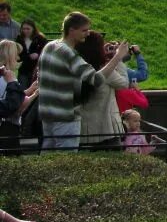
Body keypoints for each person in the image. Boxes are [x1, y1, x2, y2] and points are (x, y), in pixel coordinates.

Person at [37, 12, 129, 150]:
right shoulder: (68, 53)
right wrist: (117, 57)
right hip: (66, 116)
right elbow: (95, 80)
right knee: (66, 162)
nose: (87, 34)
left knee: (48, 159)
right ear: (72, 30)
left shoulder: (49, 47)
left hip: (47, 114)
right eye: (84, 30)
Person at [77, 34, 129, 148]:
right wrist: (118, 59)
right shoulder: (104, 69)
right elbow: (124, 84)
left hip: (84, 129)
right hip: (106, 129)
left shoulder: (77, 66)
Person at [0, 39, 29, 152]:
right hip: (7, 128)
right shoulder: (7, 79)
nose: (18, 58)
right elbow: (12, 106)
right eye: (16, 54)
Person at [15, 18, 46, 87]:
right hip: (23, 69)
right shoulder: (19, 38)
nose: (25, 31)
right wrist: (29, 56)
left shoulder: (40, 38)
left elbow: (45, 51)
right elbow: (18, 54)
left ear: (33, 29)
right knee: (23, 88)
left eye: (28, 29)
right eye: (24, 29)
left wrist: (37, 54)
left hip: (36, 68)